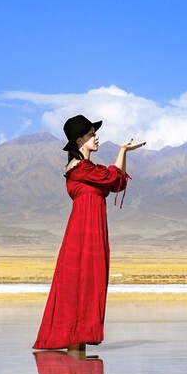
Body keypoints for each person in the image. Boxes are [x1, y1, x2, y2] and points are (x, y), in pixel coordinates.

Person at [33, 114, 145, 352]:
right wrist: (122, 151)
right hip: (83, 232)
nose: (96, 138)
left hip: (93, 229)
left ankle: (79, 346)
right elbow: (114, 178)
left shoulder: (90, 169)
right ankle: (75, 347)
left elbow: (118, 183)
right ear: (79, 140)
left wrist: (123, 152)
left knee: (91, 282)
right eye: (92, 134)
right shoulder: (80, 168)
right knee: (79, 282)